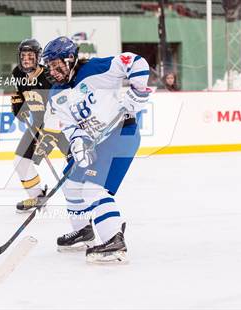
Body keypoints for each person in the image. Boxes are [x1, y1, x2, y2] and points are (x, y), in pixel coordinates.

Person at [39, 36, 150, 263]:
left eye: (56, 64)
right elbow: (69, 125)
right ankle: (84, 233)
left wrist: (137, 91)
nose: (52, 70)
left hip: (121, 133)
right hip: (94, 142)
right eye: (49, 66)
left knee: (91, 189)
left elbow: (135, 61)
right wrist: (78, 142)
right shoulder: (56, 94)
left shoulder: (95, 69)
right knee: (71, 184)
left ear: (70, 59)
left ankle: (114, 240)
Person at [11, 38, 69, 213]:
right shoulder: (18, 74)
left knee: (77, 160)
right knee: (20, 161)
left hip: (60, 124)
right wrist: (18, 105)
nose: (26, 59)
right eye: (23, 56)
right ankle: (37, 196)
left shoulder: (49, 76)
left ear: (38, 57)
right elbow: (20, 95)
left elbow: (62, 102)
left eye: (30, 55)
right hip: (38, 124)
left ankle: (90, 197)